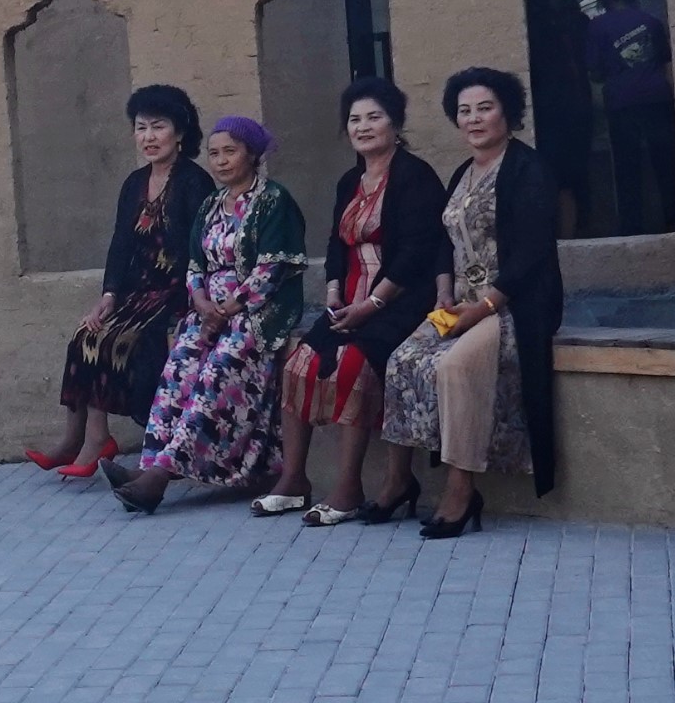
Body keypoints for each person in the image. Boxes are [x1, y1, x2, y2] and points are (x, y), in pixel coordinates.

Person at [379, 68, 564, 539]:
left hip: (512, 305)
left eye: (485, 108)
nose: (474, 119)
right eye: (464, 111)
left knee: (455, 367)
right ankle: (399, 481)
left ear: (508, 112)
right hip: (459, 303)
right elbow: (444, 241)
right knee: (402, 361)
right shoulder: (462, 173)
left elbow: (532, 252)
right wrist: (444, 292)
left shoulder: (528, 169)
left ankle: (461, 490)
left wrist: (483, 308)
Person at [264, 78, 448, 525]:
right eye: (354, 119)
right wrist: (333, 295)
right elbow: (335, 244)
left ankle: (348, 488)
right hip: (349, 301)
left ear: (395, 124)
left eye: (373, 117)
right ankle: (294, 480)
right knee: (298, 363)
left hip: (401, 303)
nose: (362, 127)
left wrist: (372, 305)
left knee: (352, 363)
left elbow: (417, 253)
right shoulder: (350, 180)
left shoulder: (415, 176)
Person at [102, 117, 307, 514]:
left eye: (230, 152)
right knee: (178, 368)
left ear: (252, 154)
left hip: (256, 314)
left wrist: (227, 309)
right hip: (208, 312)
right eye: (214, 153)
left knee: (217, 371)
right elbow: (195, 264)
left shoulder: (273, 200)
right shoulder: (211, 205)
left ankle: (160, 476)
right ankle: (149, 466)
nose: (221, 161)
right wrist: (199, 300)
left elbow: (271, 270)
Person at [26, 85, 213, 477]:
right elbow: (121, 243)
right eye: (141, 128)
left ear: (180, 132)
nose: (148, 137)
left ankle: (98, 440)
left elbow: (200, 250)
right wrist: (109, 295)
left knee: (114, 340)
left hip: (176, 292)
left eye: (158, 127)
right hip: (136, 291)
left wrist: (189, 296)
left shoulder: (194, 182)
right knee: (86, 334)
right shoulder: (134, 183)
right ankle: (74, 438)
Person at [585, 0, 675, 235]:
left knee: (627, 166)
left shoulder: (597, 26)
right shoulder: (651, 22)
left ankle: (632, 227)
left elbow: (594, 69)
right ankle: (674, 220)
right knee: (665, 162)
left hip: (621, 102)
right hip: (657, 99)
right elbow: (664, 61)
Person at [523, 0, 594, 236]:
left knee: (577, 176)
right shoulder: (535, 32)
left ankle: (579, 232)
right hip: (549, 114)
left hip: (579, 110)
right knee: (555, 177)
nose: (559, 0)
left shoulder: (578, 24)